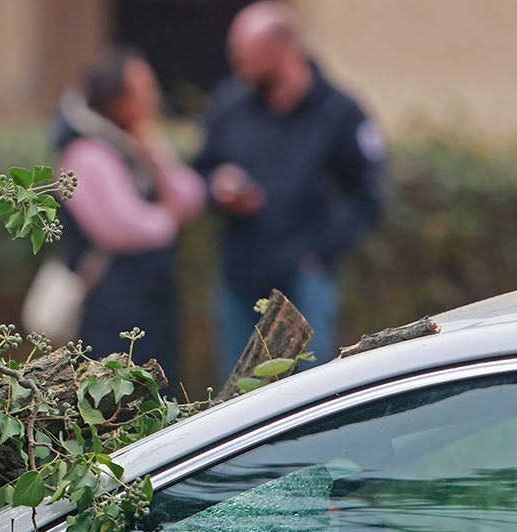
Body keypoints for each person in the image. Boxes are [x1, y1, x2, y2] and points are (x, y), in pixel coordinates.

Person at [193, 1, 386, 383]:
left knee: (309, 391)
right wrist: (218, 188)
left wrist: (317, 252)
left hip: (304, 282)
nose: (236, 64)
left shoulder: (339, 111)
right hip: (239, 276)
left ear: (280, 48)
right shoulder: (229, 106)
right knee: (239, 396)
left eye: (244, 54)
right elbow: (201, 171)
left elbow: (368, 195)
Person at [55, 48, 205, 381]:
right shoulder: (85, 153)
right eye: (144, 90)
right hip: (111, 306)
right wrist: (167, 220)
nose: (154, 98)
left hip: (153, 303)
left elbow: (191, 197)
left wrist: (159, 156)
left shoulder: (136, 143)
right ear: (116, 100)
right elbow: (118, 226)